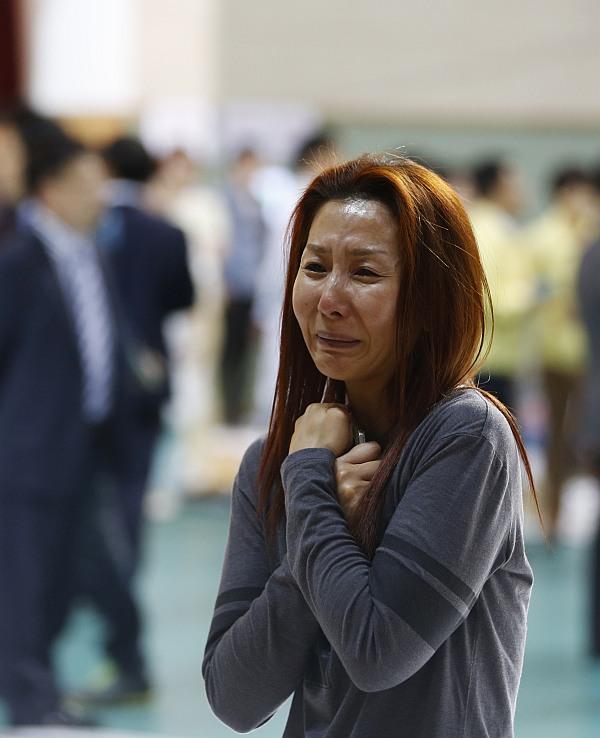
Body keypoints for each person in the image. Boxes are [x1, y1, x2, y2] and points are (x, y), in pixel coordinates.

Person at [203, 154, 536, 737]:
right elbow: (234, 696)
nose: (329, 298)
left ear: (428, 298)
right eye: (314, 267)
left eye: (365, 272)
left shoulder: (465, 437)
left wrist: (310, 491)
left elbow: (379, 651)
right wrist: (317, 504)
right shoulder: (274, 460)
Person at [0, 132, 126, 725]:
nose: (98, 197)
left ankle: (40, 686)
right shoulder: (17, 259)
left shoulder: (89, 251)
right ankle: (30, 701)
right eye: (85, 185)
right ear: (49, 190)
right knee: (24, 579)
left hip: (87, 444)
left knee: (59, 579)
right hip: (29, 448)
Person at [524, 167, 599, 540]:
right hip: (555, 351)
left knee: (580, 435)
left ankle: (570, 506)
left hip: (588, 353)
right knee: (555, 435)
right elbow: (532, 288)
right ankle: (550, 514)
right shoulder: (542, 235)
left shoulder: (590, 230)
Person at [468, 158, 534, 412]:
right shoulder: (488, 230)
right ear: (498, 186)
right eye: (515, 183)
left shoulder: (496, 226)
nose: (522, 190)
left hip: (498, 356)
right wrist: (532, 296)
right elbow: (485, 296)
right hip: (488, 358)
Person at [219, 147, 265, 424]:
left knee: (248, 351)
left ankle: (240, 405)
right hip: (232, 286)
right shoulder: (225, 200)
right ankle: (227, 405)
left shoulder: (255, 202)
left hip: (253, 286)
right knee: (230, 350)